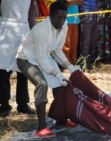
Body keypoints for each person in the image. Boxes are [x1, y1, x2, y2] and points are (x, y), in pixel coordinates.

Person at [16, 1, 79, 138]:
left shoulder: (65, 27)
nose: (61, 21)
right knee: (42, 84)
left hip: (43, 56)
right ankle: (41, 128)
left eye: (64, 18)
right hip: (26, 59)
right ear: (50, 15)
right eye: (58, 18)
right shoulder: (41, 30)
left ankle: (61, 119)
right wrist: (57, 73)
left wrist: (70, 67)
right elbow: (40, 59)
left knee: (61, 85)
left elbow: (57, 50)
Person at [0, 0, 36, 117]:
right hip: (5, 27)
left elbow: (31, 12)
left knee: (23, 69)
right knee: (3, 69)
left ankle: (23, 103)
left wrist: (33, 32)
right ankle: (4, 104)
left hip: (23, 28)